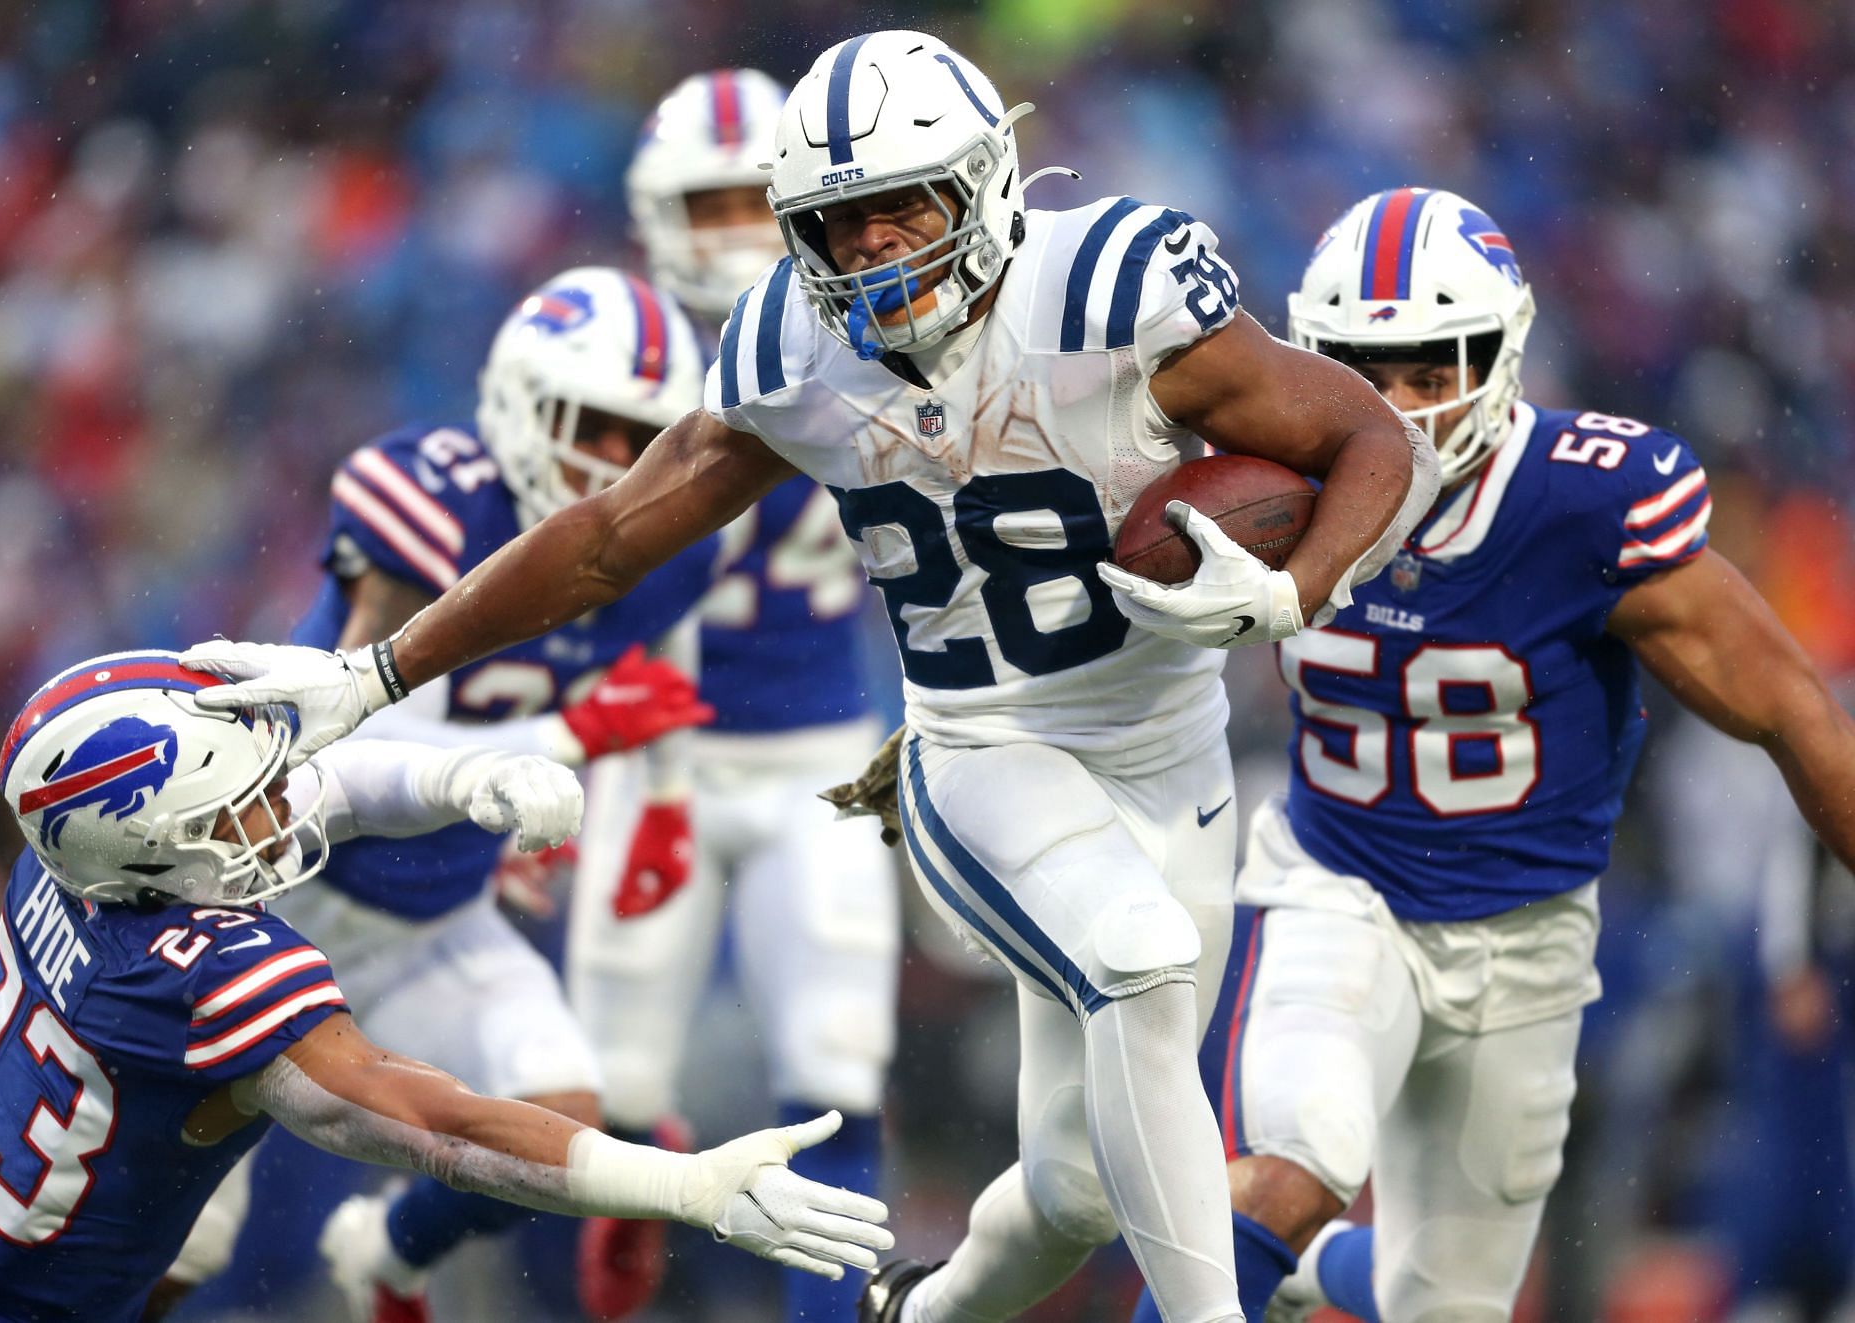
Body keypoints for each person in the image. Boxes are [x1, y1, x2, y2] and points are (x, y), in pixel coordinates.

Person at [178, 30, 1440, 1323]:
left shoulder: (1111, 292)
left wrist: (1296, 587)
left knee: (1077, 1183)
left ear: (988, 184)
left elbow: (1366, 434)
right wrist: (380, 668)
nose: (880, 249)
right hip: (982, 742)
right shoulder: (794, 347)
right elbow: (611, 534)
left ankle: (914, 1310)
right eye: (842, 223)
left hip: (1169, 745)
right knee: (1139, 958)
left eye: (906, 207)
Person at [1123, 187, 1855, 1323]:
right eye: (1370, 373)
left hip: (1527, 937)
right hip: (1338, 888)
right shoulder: (1253, 481)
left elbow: (1794, 716)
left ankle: (1305, 1279)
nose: (1405, 411)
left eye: (1432, 368)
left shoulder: (1582, 505)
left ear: (1502, 349)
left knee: (1445, 1305)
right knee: (1296, 1161)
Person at [0, 651, 891, 1323]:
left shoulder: (70, 858)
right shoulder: (194, 975)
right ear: (156, 849)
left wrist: (467, 777)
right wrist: (684, 1187)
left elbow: (333, 787)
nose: (281, 802)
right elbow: (444, 1125)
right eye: (243, 801)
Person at [208, 264, 717, 1323]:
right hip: (272, 893)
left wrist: (660, 798)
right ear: (522, 400)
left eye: (643, 438)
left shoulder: (668, 558)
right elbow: (353, 732)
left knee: (563, 1125)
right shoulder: (435, 497)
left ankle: (387, 1252)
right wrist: (563, 738)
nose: (617, 464)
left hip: (437, 911)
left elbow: (655, 683)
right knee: (190, 1241)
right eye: (596, 424)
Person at [569, 67, 899, 1323]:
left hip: (816, 755)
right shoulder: (612, 351)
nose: (729, 238)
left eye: (750, 204)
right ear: (655, 214)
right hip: (651, 755)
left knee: (836, 1072)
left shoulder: (881, 325)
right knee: (609, 1103)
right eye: (704, 207)